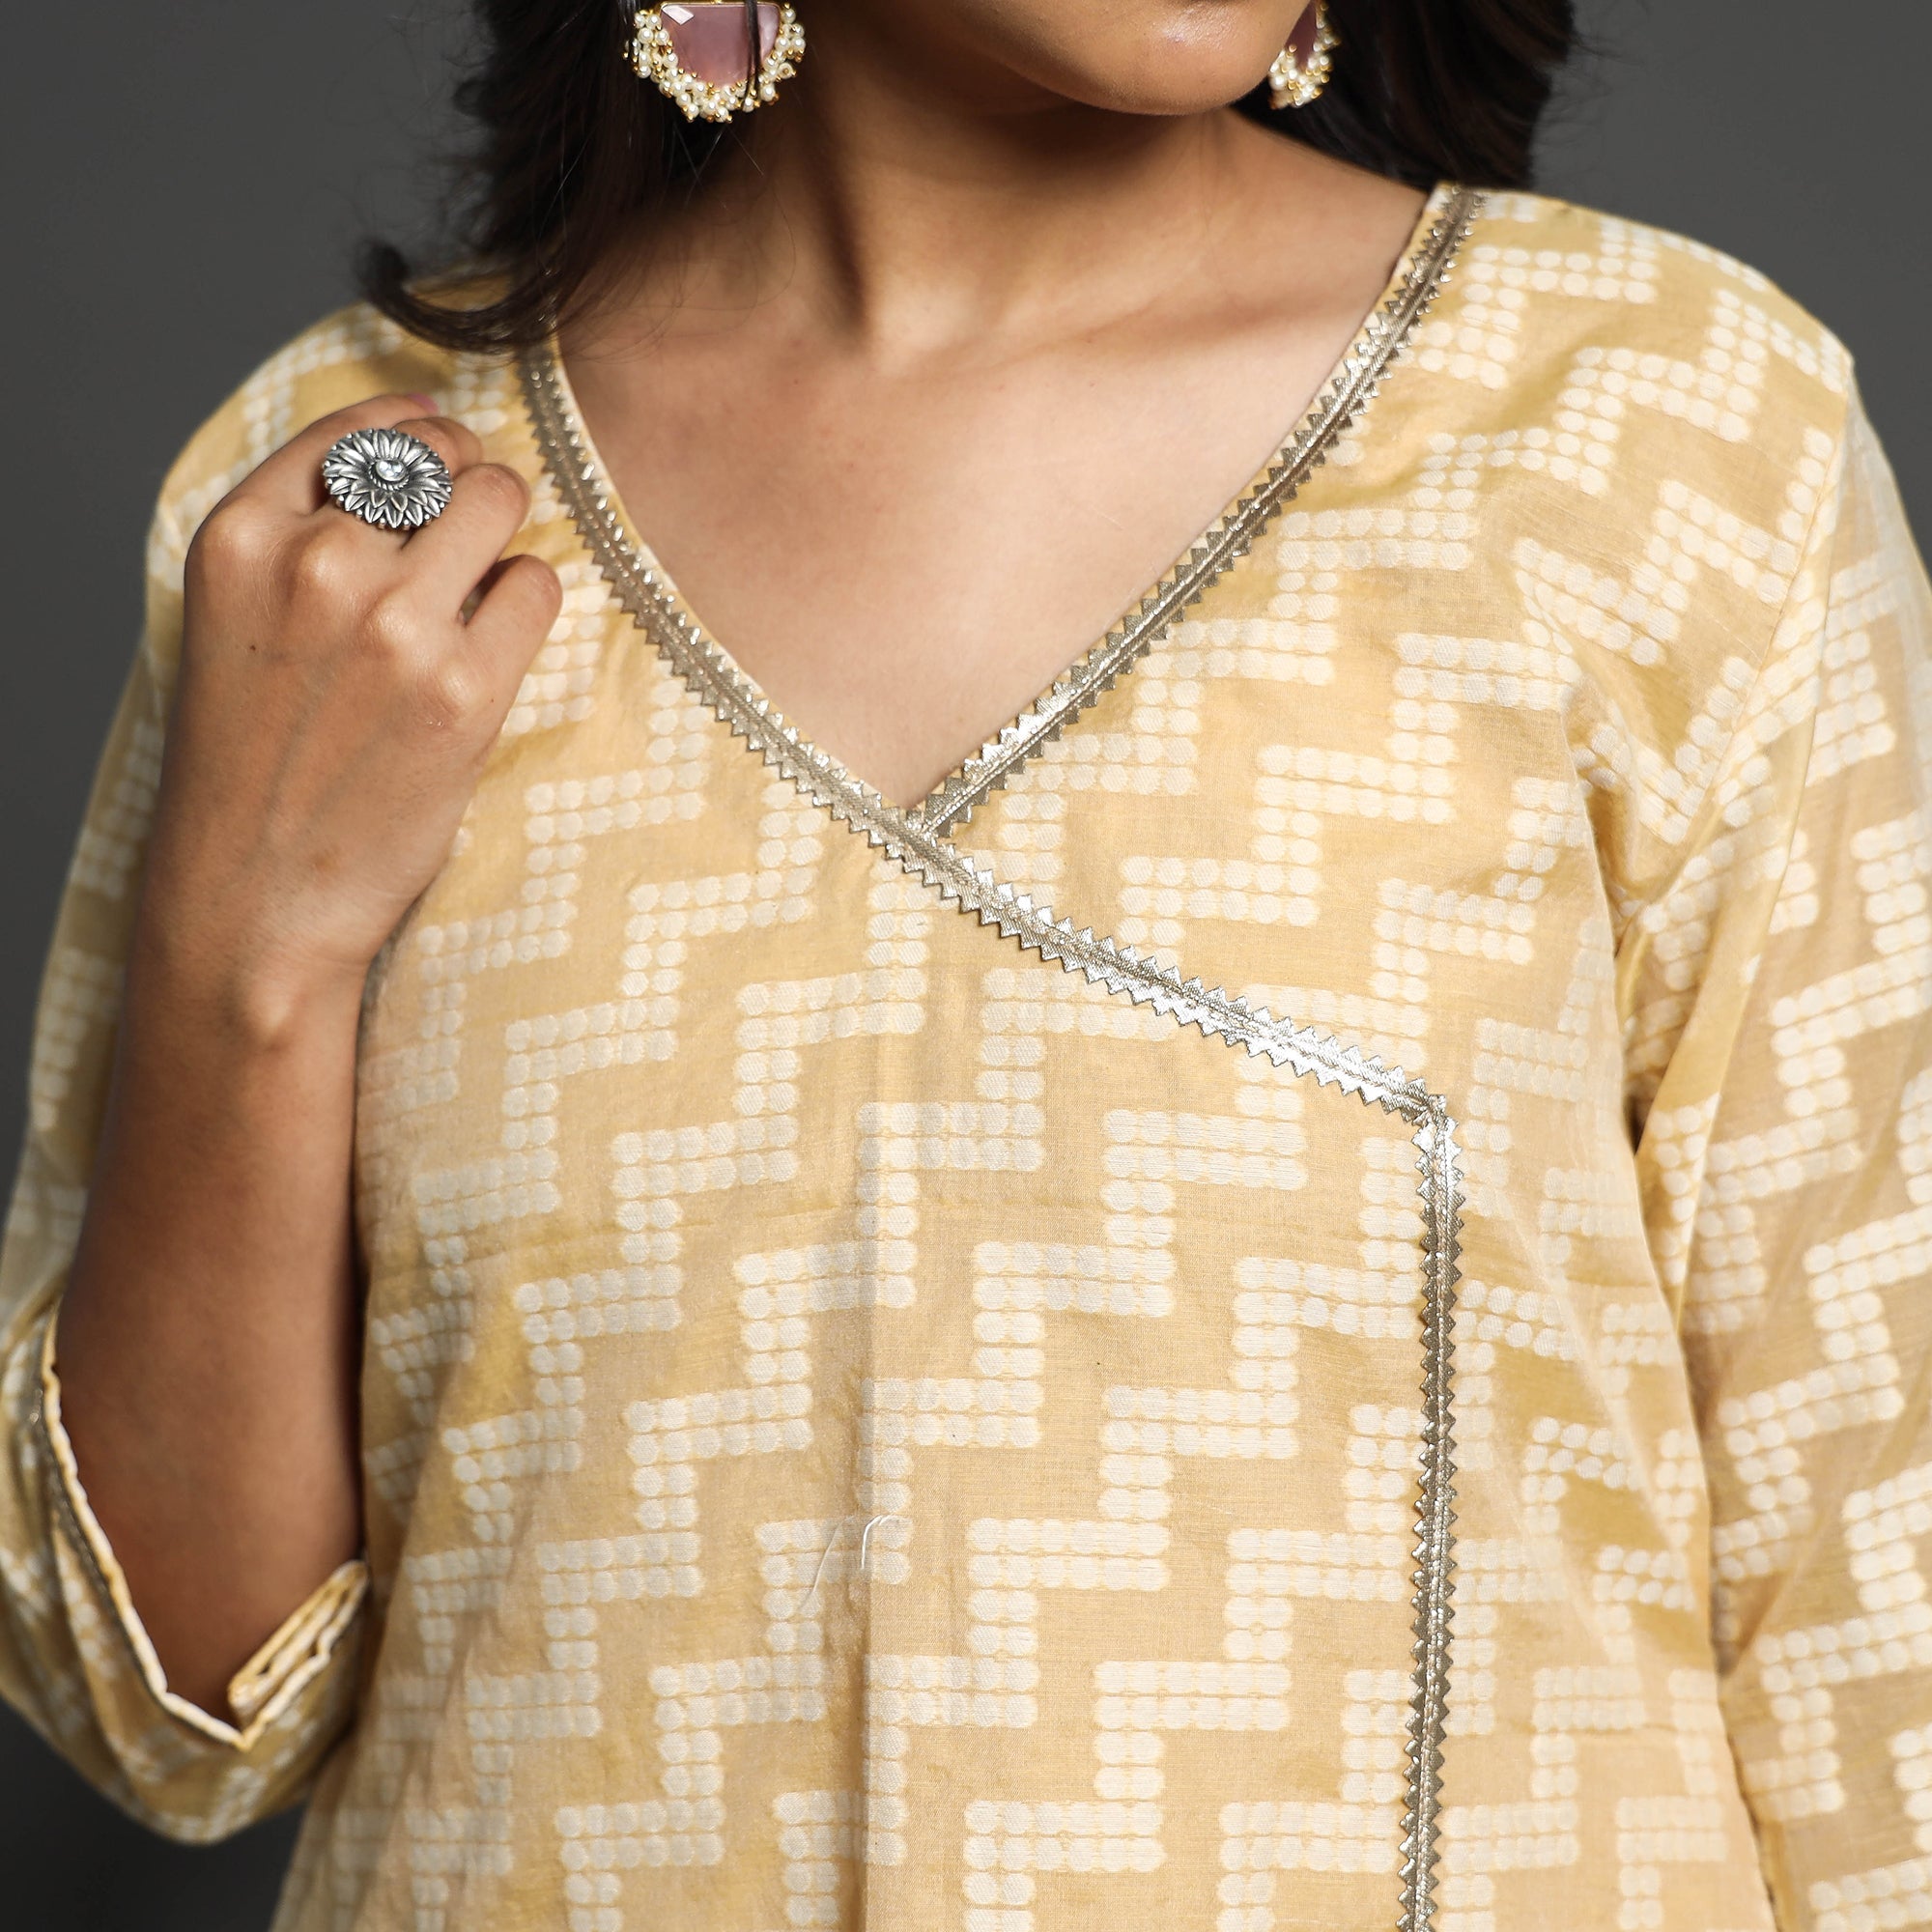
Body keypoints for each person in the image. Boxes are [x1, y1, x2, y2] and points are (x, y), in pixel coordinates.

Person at [2, 0, 1926, 1925]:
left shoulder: (1656, 444)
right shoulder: (347, 513)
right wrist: (251, 949)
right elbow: (160, 1707)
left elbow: (1885, 1664)